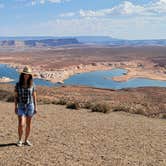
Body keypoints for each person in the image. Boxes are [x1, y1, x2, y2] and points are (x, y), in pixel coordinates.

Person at [14, 66, 37, 147]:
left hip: (30, 105)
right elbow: (16, 97)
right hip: (21, 106)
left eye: (28, 74)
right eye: (25, 74)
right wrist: (15, 107)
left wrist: (36, 107)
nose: (26, 75)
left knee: (28, 124)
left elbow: (34, 96)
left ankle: (26, 140)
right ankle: (20, 140)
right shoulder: (17, 84)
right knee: (21, 123)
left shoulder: (32, 84)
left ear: (30, 75)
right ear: (22, 74)